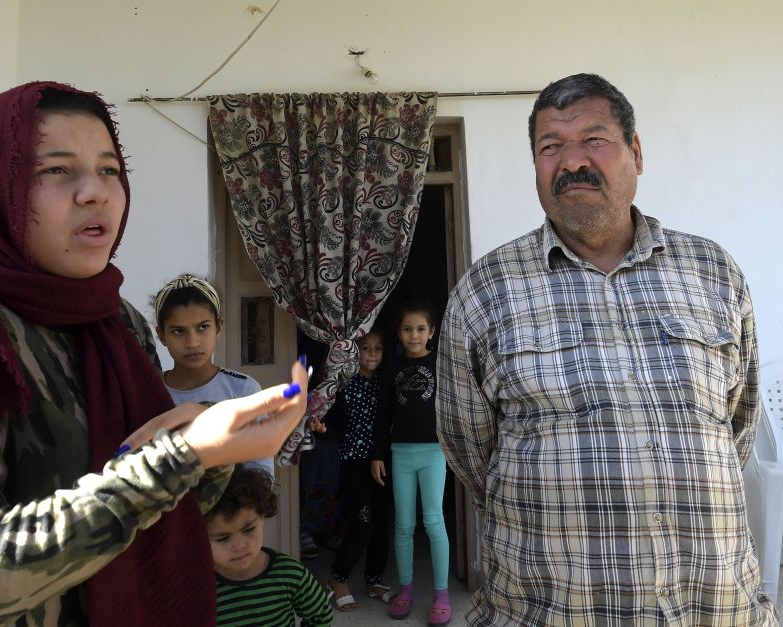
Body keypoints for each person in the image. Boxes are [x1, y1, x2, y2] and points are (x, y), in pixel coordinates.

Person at [0, 82, 308, 627]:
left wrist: (209, 450)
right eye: (58, 171)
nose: (96, 192)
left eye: (110, 170)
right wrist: (174, 459)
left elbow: (158, 518)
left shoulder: (115, 321)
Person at [436, 73, 779, 625]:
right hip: (549, 611)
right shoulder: (485, 290)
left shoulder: (713, 271)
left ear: (635, 153)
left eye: (594, 139)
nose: (572, 161)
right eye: (551, 147)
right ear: (536, 167)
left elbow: (735, 426)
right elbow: (469, 450)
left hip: (709, 608)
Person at [372, 300, 451, 624]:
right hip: (400, 454)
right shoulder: (391, 368)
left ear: (431, 332)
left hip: (433, 452)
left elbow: (454, 408)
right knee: (404, 525)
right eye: (407, 329)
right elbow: (383, 414)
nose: (414, 336)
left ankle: (442, 593)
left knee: (433, 521)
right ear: (399, 333)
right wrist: (378, 454)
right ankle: (405, 590)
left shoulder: (441, 365)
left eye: (420, 329)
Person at [154, 273, 273, 476]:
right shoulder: (148, 390)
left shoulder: (243, 391)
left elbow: (261, 472)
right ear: (161, 335)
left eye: (203, 327)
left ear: (218, 327)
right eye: (178, 331)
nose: (192, 342)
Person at [205, 463, 332, 626]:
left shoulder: (290, 573)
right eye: (223, 538)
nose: (239, 545)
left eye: (249, 529)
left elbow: (320, 616)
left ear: (262, 516)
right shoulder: (197, 585)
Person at [325, 328, 394, 612]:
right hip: (354, 464)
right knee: (361, 525)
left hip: (383, 463)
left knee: (381, 525)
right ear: (356, 351)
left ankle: (374, 579)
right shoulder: (345, 384)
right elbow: (329, 419)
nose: (373, 354)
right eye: (366, 348)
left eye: (378, 348)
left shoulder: (385, 384)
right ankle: (337, 579)